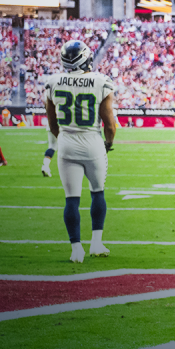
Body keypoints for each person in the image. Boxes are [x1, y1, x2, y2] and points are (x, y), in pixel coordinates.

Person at [44, 42, 118, 263]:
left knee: (71, 199)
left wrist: (64, 137)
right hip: (92, 142)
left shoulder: (53, 82)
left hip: (66, 142)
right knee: (97, 192)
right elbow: (110, 124)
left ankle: (76, 248)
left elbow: (52, 122)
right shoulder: (101, 81)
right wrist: (108, 143)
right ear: (86, 58)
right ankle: (96, 242)